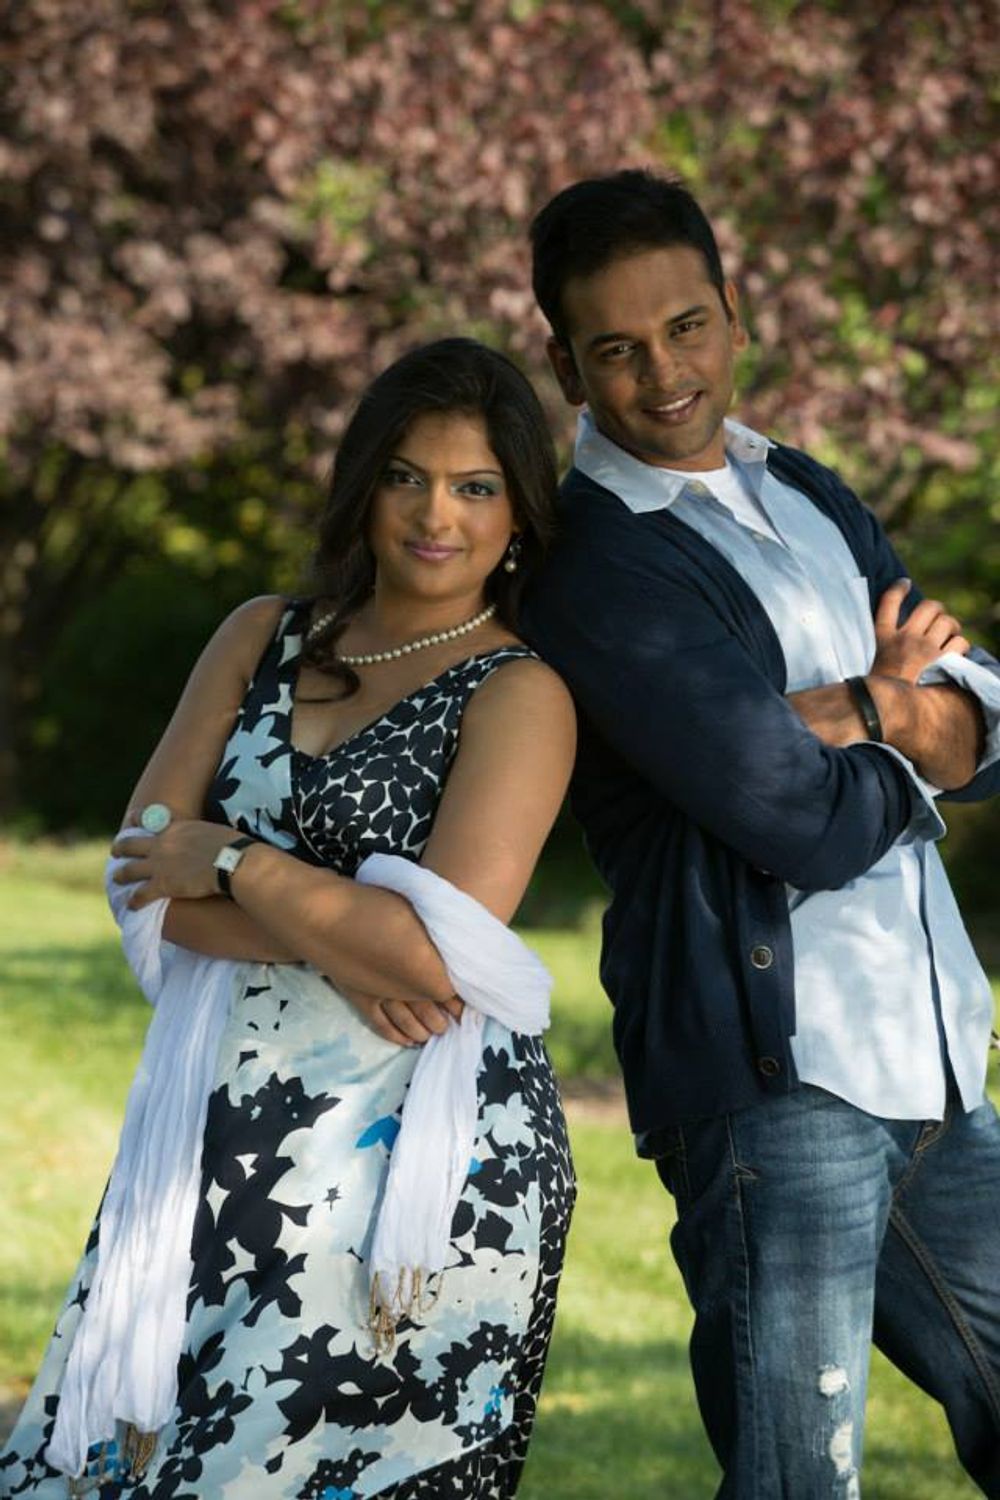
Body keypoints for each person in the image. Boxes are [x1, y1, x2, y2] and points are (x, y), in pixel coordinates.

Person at [1, 337, 578, 1500]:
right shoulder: (261, 635)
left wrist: (231, 860)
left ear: (518, 511)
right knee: (129, 1464)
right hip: (216, 1136)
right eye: (406, 475)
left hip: (413, 1160)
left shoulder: (521, 693)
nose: (435, 515)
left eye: (474, 487)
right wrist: (347, 932)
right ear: (362, 482)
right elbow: (141, 881)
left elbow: (433, 959)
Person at [521, 169, 1000, 1497]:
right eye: (616, 348)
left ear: (734, 317)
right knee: (798, 1479)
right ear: (566, 367)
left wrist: (862, 710)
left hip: (932, 1064)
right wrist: (903, 711)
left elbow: (987, 715)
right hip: (774, 1092)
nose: (662, 372)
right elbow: (799, 822)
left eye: (685, 326)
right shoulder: (597, 565)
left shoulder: (803, 489)